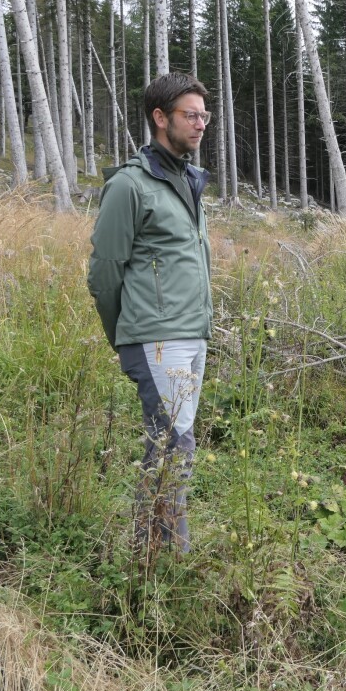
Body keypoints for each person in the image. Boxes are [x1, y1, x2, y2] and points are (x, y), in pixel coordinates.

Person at [87, 72, 213, 554]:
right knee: (174, 448)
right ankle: (166, 561)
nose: (200, 124)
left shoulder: (186, 179)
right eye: (190, 115)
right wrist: (126, 335)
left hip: (192, 333)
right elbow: (105, 272)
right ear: (160, 117)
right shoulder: (130, 185)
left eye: (204, 116)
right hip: (157, 337)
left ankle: (151, 553)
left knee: (172, 444)